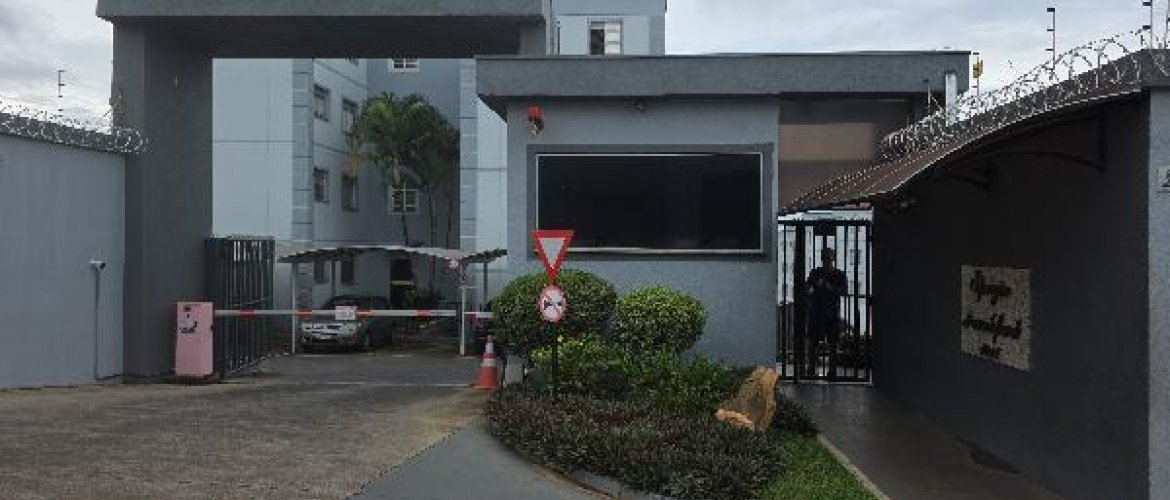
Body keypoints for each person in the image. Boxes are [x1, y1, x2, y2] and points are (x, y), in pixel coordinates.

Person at [806, 247, 848, 380]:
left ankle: (831, 371)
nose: (827, 261)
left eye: (829, 258)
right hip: (818, 312)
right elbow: (807, 289)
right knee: (814, 342)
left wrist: (831, 288)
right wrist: (815, 286)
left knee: (832, 343)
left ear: (833, 258)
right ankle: (812, 369)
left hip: (830, 313)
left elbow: (844, 291)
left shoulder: (839, 274)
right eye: (825, 258)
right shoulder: (815, 273)